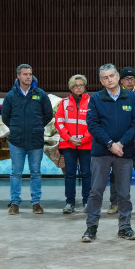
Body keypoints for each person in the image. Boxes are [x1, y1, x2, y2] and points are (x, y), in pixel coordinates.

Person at [82, 63, 135, 242]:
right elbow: (93, 124)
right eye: (105, 77)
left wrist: (121, 143)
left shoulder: (131, 97)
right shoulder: (96, 99)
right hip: (101, 153)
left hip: (124, 153)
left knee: (124, 193)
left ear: (118, 76)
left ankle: (125, 227)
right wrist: (110, 144)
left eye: (112, 76)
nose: (109, 80)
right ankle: (91, 228)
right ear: (101, 80)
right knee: (96, 191)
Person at [1, 63, 53, 215]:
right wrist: (17, 128)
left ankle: (36, 203)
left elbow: (48, 114)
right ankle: (15, 203)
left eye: (30, 74)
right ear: (18, 76)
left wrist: (36, 126)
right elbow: (5, 117)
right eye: (25, 74)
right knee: (16, 172)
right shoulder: (11, 96)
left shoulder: (40, 94)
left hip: (35, 140)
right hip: (17, 141)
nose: (28, 77)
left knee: (35, 172)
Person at [107, 66, 135, 216]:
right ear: (121, 80)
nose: (129, 81)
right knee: (116, 174)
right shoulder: (116, 96)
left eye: (132, 78)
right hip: (121, 143)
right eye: (126, 78)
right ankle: (114, 203)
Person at [54, 74, 92, 214]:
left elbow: (94, 123)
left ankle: (87, 201)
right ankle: (70, 202)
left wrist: (84, 139)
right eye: (76, 85)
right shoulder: (63, 103)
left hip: (86, 145)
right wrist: (69, 138)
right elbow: (59, 122)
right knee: (69, 174)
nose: (79, 87)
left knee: (87, 173)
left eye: (81, 85)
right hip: (68, 145)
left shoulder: (91, 102)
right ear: (71, 87)